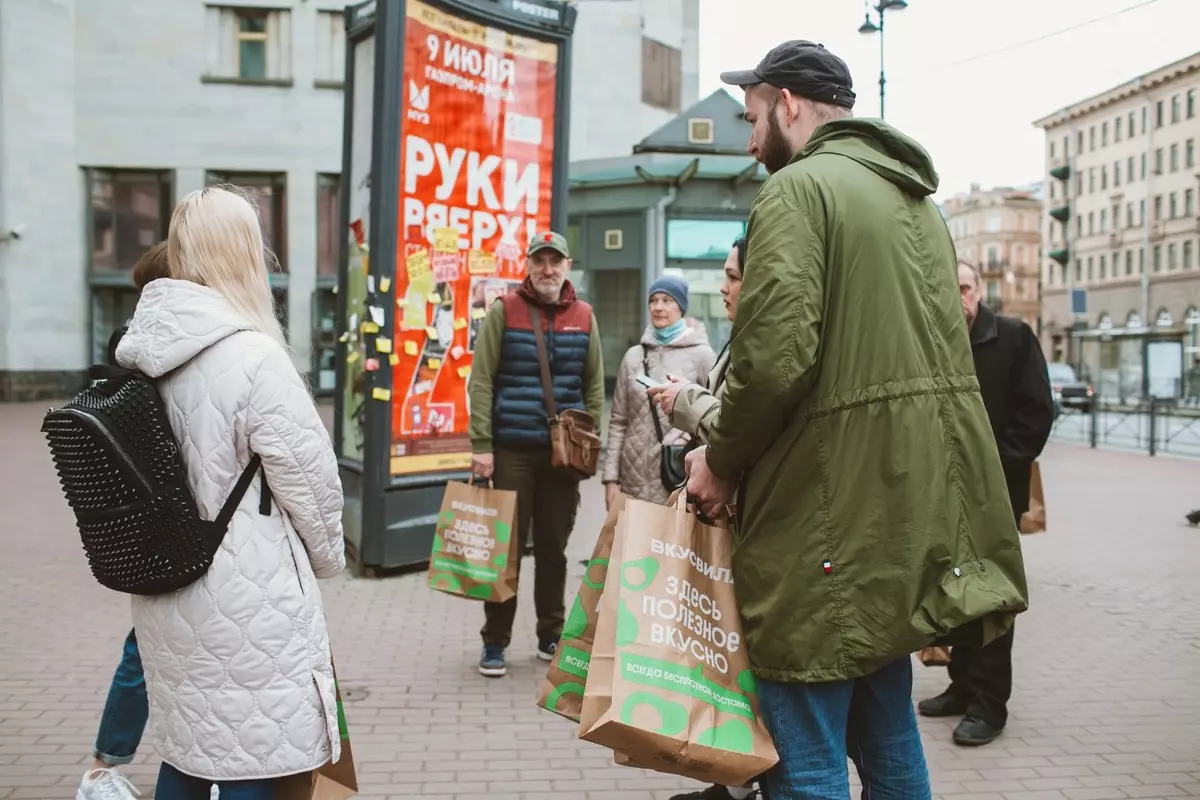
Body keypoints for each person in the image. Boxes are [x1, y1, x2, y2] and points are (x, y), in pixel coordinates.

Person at [683, 40, 1029, 799]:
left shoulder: (797, 192)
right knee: (889, 736)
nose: (748, 140)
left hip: (820, 525)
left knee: (803, 757)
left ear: (790, 104)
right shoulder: (917, 203)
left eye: (752, 118)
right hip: (898, 522)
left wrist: (720, 459)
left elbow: (773, 361)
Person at [113, 186, 346, 799]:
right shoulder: (253, 356)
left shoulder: (141, 352)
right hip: (250, 593)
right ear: (243, 253)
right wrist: (328, 559)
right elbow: (313, 485)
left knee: (190, 747)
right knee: (256, 752)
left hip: (168, 585)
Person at [918, 261, 1054, 746]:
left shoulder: (1014, 336)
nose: (958, 297)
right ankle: (961, 686)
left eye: (965, 287)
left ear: (979, 291)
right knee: (955, 593)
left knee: (991, 597)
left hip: (994, 495)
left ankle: (989, 706)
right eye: (947, 288)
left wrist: (992, 469)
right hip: (941, 494)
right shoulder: (931, 338)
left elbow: (1036, 413)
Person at [651, 239, 765, 800]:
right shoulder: (739, 338)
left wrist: (687, 406)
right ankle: (731, 782)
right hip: (730, 518)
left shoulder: (762, 345)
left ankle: (739, 785)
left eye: (733, 276)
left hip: (756, 529)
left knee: (743, 660)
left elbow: (749, 426)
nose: (723, 287)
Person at [468, 231, 605, 678]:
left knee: (553, 548)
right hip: (512, 451)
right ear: (528, 265)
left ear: (568, 266)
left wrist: (589, 440)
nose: (547, 269)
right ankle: (495, 641)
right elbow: (483, 379)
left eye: (555, 261)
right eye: (539, 261)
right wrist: (482, 447)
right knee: (505, 549)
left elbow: (595, 387)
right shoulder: (504, 311)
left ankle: (551, 634)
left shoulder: (584, 316)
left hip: (561, 456)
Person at [79, 243, 174, 800]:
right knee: (150, 647)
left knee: (143, 646)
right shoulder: (160, 353)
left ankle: (103, 763)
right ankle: (103, 768)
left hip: (144, 525)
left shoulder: (128, 347)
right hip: (178, 525)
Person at [603, 275, 714, 507]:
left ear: (681, 307)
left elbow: (714, 418)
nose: (658, 307)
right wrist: (611, 479)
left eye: (666, 300)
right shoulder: (634, 356)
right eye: (653, 300)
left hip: (677, 476)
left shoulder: (702, 356)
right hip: (633, 481)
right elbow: (618, 421)